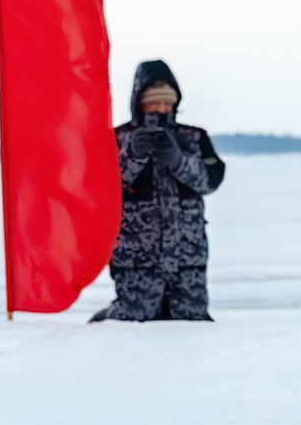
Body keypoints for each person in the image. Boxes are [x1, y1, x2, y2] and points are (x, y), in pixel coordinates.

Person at [96, 60, 225, 322]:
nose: (162, 109)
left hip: (187, 258)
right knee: (132, 326)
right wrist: (132, 155)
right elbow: (104, 188)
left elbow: (208, 182)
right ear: (139, 102)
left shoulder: (195, 138)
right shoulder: (117, 138)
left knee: (193, 326)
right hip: (136, 260)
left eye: (167, 103)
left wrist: (177, 159)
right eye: (155, 103)